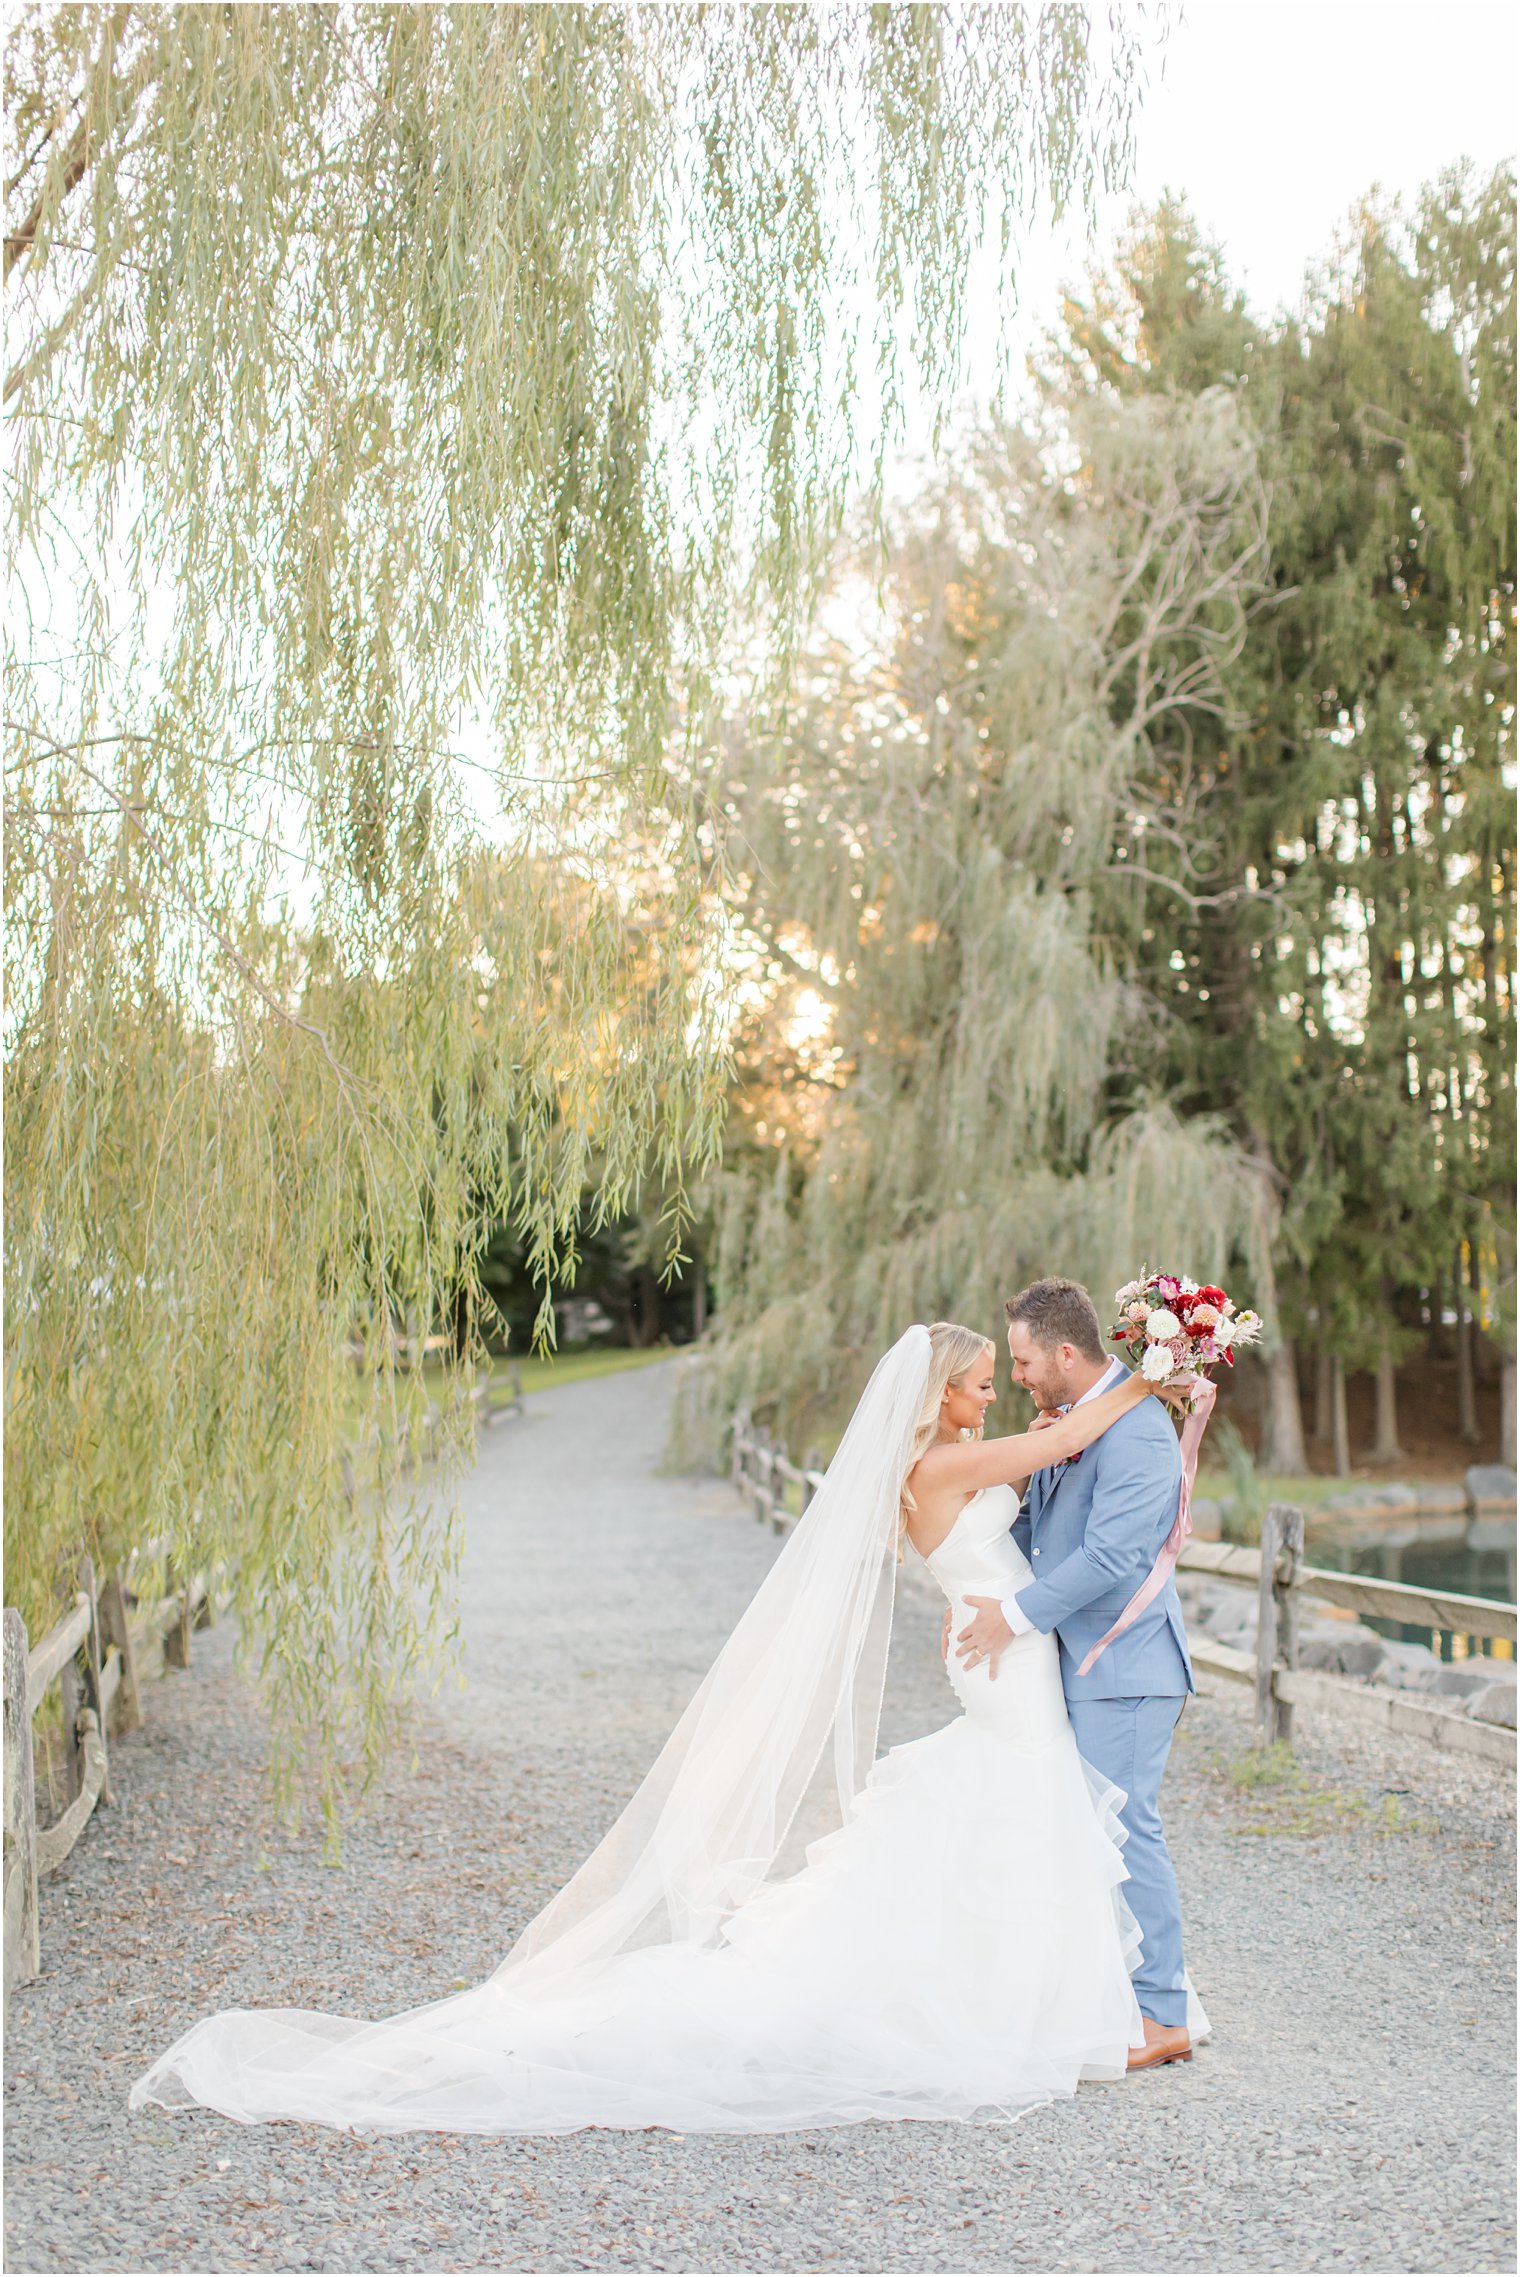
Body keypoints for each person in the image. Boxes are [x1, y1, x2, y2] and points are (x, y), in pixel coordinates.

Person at [131, 1319, 1195, 2135]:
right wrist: (1159, 1365)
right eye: (973, 1384)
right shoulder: (943, 1468)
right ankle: (1052, 1997)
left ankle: (1059, 1987)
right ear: (939, 1397)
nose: (988, 1395)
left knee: (1014, 1811)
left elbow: (1057, 1437)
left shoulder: (936, 1465)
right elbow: (1080, 1428)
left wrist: (1116, 1394)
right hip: (1002, 1668)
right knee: (1025, 1800)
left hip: (998, 1663)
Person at [951, 1277, 1198, 2069]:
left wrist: (1014, 1617)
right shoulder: (1082, 1420)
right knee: (1092, 1830)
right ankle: (1114, 1993)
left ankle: (1162, 2013)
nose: (1017, 1375)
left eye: (1022, 1359)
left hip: (1125, 1666)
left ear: (1064, 1351)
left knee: (1126, 1830)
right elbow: (1040, 1535)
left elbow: (1114, 1557)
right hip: (1084, 1663)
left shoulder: (1138, 1432)